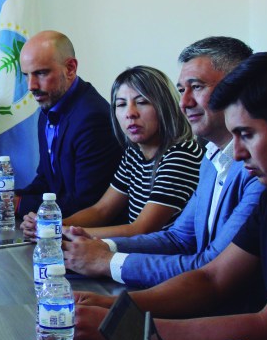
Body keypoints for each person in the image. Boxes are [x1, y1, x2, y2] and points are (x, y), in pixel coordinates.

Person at [74, 53, 267, 340]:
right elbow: (212, 278)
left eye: (246, 135)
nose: (238, 153)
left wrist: (128, 332)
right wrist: (113, 307)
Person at [60, 37, 264, 288]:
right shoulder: (211, 158)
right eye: (182, 91)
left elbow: (210, 268)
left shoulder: (257, 169)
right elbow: (178, 238)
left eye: (197, 87)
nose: (185, 103)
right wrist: (100, 246)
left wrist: (106, 260)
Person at [22, 66, 203, 239]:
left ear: (166, 107)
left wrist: (58, 231)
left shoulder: (180, 155)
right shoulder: (134, 154)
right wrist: (50, 225)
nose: (130, 113)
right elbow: (101, 211)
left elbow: (142, 229)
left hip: (164, 257)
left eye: (141, 102)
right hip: (140, 252)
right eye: (121, 104)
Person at [0, 30, 122, 217]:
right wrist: (6, 196)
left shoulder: (93, 118)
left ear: (70, 68)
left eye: (40, 73)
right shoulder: (50, 107)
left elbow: (87, 202)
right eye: (26, 75)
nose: (31, 86)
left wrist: (18, 204)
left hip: (89, 229)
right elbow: (47, 182)